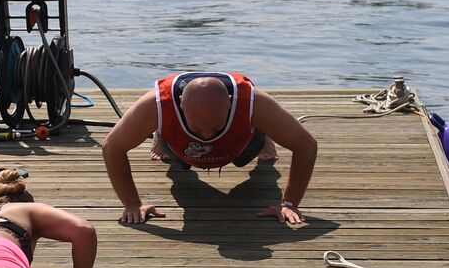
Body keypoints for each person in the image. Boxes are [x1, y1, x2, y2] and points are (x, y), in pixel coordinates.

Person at [102, 71, 317, 226]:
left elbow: (306, 146)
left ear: (231, 103)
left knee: (252, 156)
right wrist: (132, 203)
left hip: (239, 145)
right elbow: (112, 147)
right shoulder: (157, 103)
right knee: (179, 170)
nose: (206, 136)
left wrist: (290, 203)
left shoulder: (251, 100)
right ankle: (161, 133)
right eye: (199, 128)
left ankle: (263, 131)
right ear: (180, 104)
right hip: (183, 147)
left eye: (214, 127)